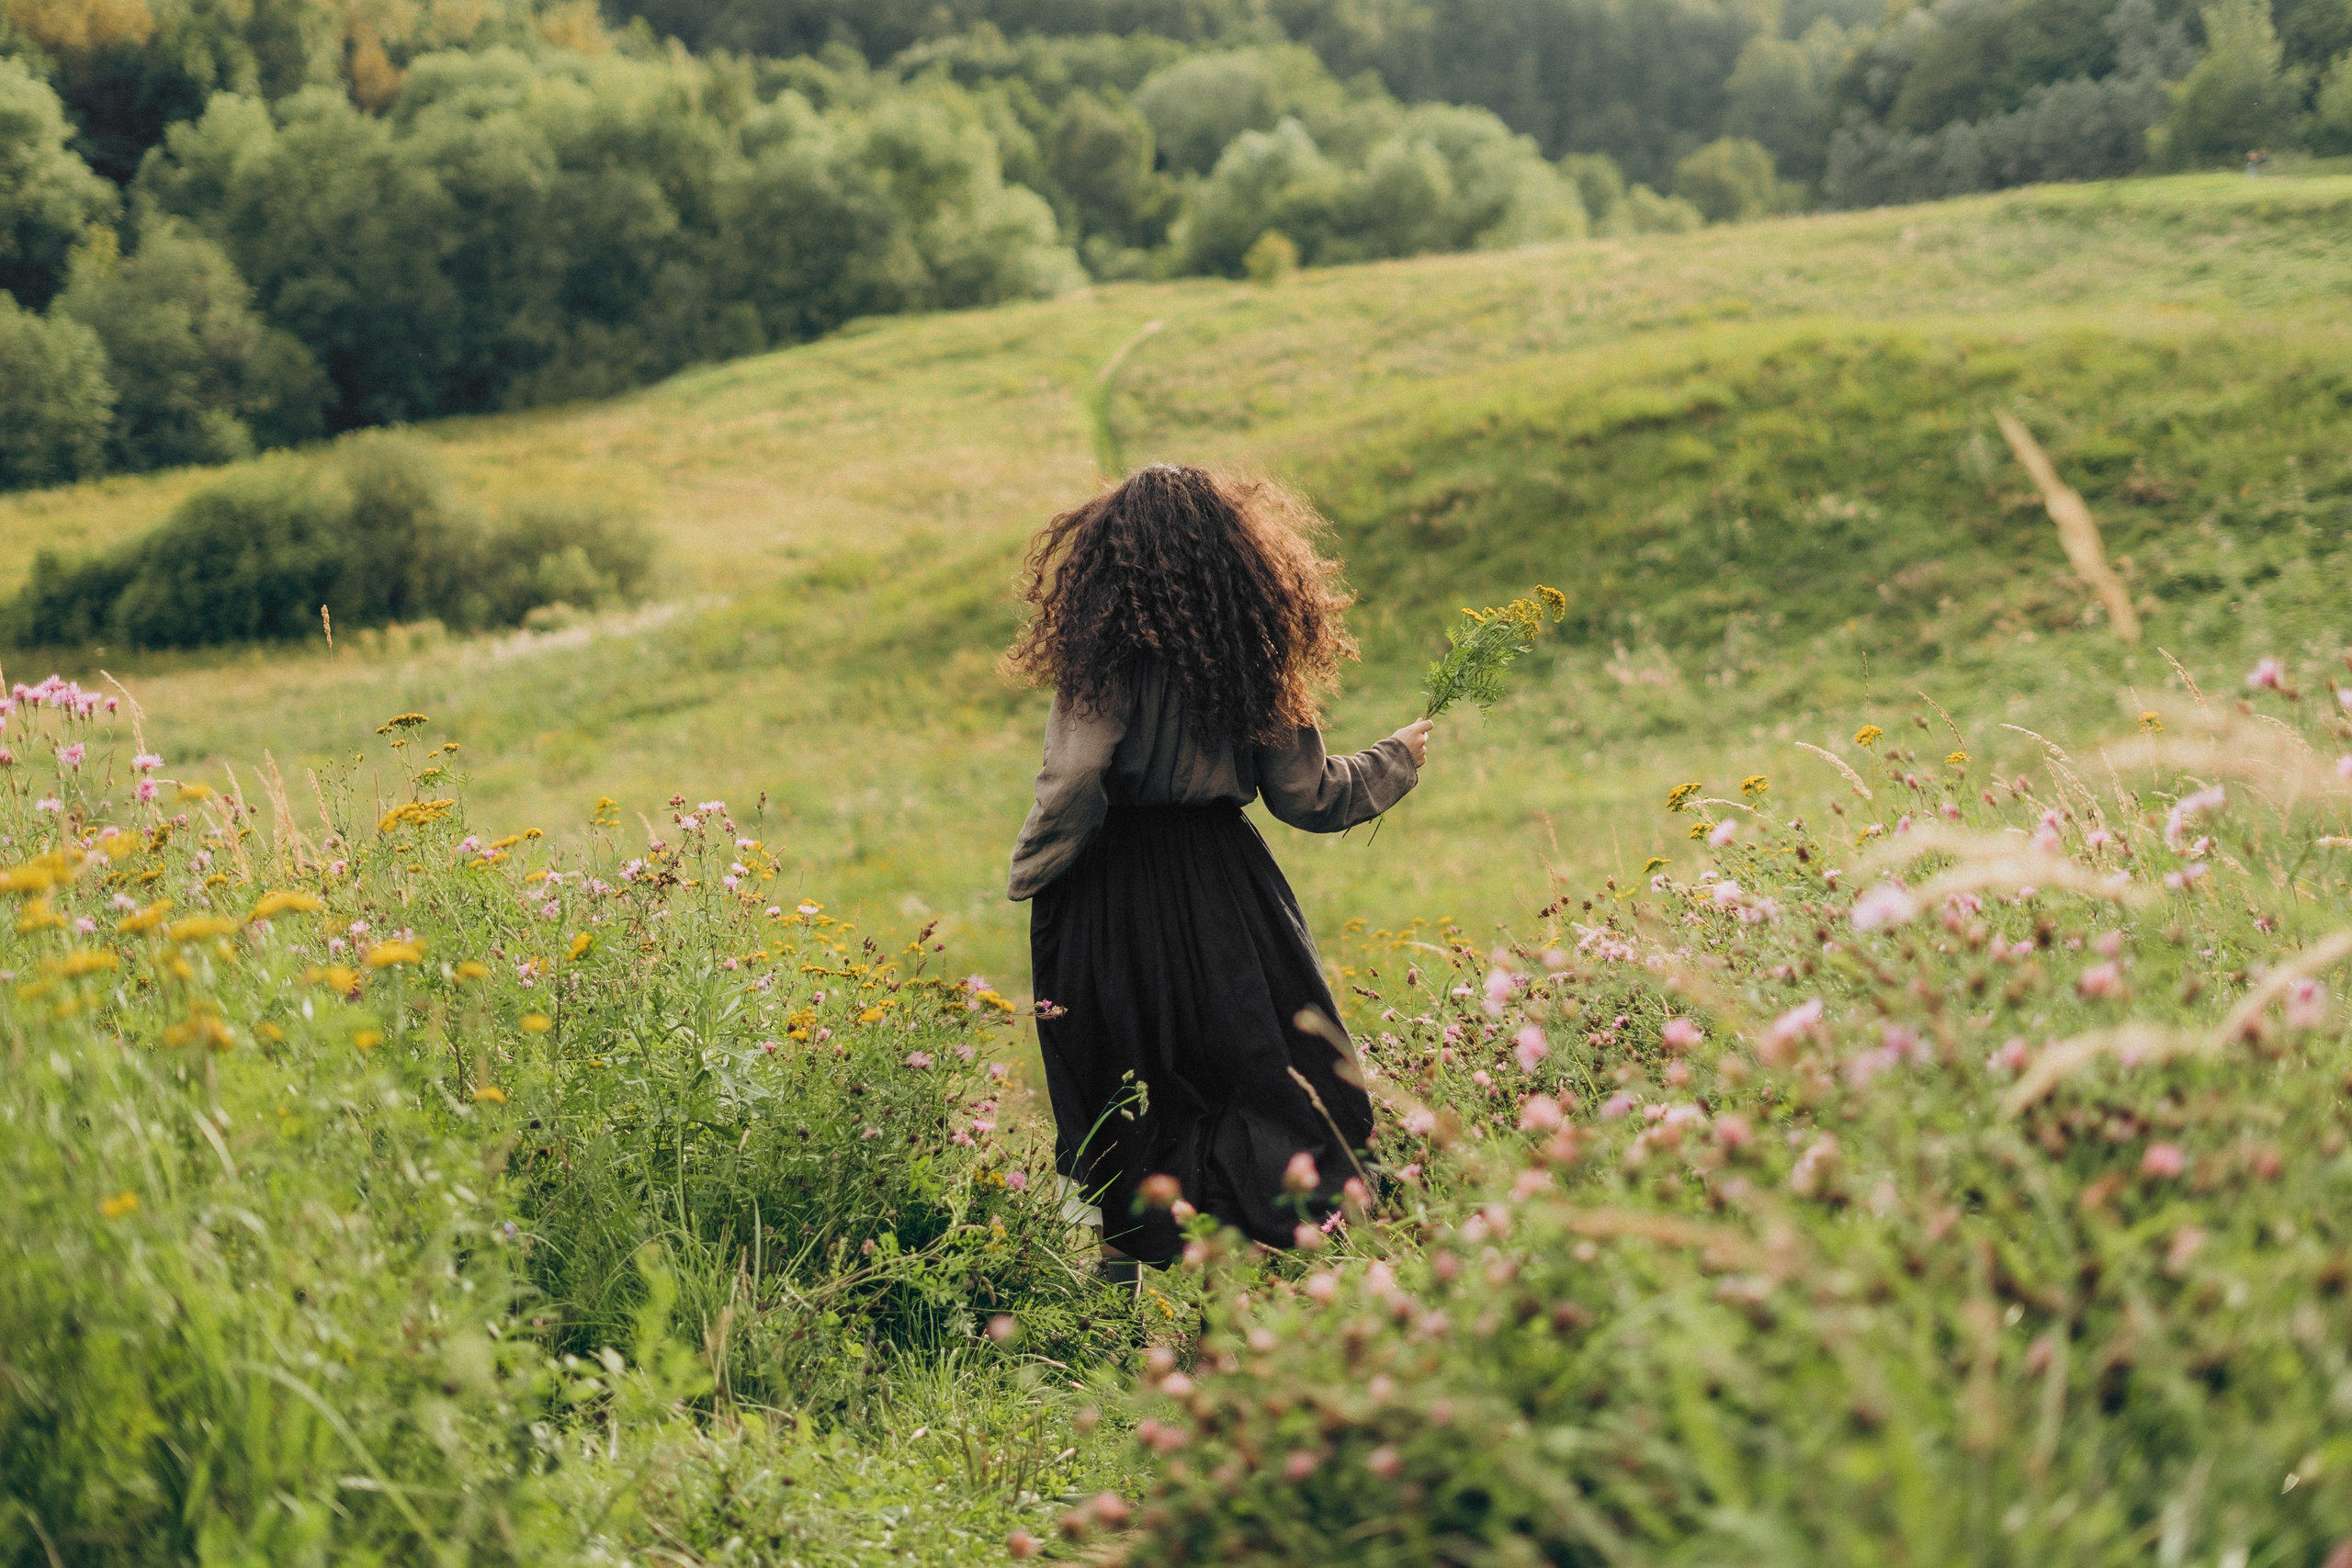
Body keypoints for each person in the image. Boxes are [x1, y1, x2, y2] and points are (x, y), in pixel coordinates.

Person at [1002, 463, 1432, 1270]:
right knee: (1258, 1071)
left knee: (1123, 1071)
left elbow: (1074, 778)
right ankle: (1267, 1260)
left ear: (1105, 560)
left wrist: (1035, 872)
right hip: (1222, 888)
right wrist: (1396, 759)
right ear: (1239, 557)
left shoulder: (1102, 653)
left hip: (1112, 883)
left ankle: (1122, 1271)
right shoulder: (1250, 651)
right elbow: (1306, 794)